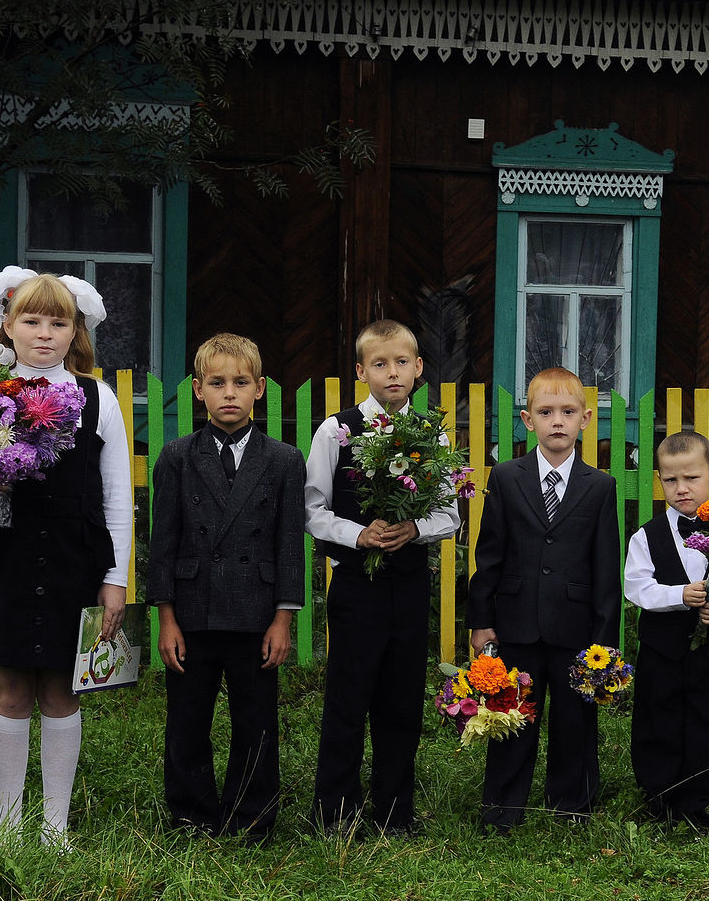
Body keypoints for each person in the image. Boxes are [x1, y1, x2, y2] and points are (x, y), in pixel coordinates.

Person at [0, 269, 132, 849]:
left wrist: (115, 580)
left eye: (58, 322)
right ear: (6, 325)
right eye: (32, 320)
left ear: (76, 332)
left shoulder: (98, 398)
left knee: (63, 690)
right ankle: (8, 826)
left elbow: (118, 493)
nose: (44, 333)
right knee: (11, 685)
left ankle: (55, 826)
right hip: (9, 557)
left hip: (75, 556)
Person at [305, 319, 461, 834]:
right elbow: (312, 509)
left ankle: (396, 812)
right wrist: (359, 535)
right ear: (360, 371)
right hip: (356, 585)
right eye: (378, 363)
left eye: (401, 362)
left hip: (410, 586)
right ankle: (336, 813)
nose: (391, 372)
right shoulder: (337, 430)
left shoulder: (433, 432)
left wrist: (414, 527)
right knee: (349, 697)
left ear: (418, 369)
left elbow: (449, 513)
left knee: (401, 699)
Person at [146, 333, 305, 839]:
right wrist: (165, 617)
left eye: (240, 383)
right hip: (191, 612)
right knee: (187, 720)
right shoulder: (176, 456)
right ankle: (192, 814)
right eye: (217, 383)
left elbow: (288, 546)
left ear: (260, 389)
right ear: (198, 390)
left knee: (255, 720)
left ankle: (251, 816)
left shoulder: (283, 460)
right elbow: (162, 542)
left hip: (256, 613)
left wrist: (283, 619)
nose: (229, 393)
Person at [466, 367, 621, 832]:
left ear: (585, 419)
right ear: (527, 419)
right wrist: (481, 619)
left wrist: (605, 638)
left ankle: (571, 807)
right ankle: (503, 809)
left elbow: (605, 568)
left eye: (568, 412)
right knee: (513, 715)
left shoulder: (599, 486)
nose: (558, 421)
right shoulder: (508, 478)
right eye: (546, 412)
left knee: (575, 721)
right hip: (516, 624)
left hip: (575, 629)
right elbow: (489, 553)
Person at [624, 431, 709, 831]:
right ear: (660, 480)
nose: (681, 489)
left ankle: (696, 803)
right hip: (660, 650)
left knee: (704, 721)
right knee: (657, 719)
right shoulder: (645, 537)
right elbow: (637, 587)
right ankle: (658, 799)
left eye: (692, 478)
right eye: (670, 480)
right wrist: (679, 595)